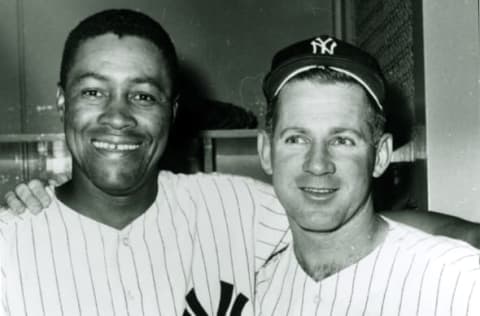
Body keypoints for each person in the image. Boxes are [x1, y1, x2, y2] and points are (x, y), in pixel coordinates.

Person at [0, 9, 289, 315]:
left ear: (172, 111)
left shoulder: (242, 209)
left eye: (143, 96)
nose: (118, 117)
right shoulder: (9, 244)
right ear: (62, 101)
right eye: (94, 92)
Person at [254, 35, 480, 315]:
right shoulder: (245, 289)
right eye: (297, 139)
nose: (317, 164)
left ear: (381, 156)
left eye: (342, 140)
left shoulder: (461, 281)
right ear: (266, 152)